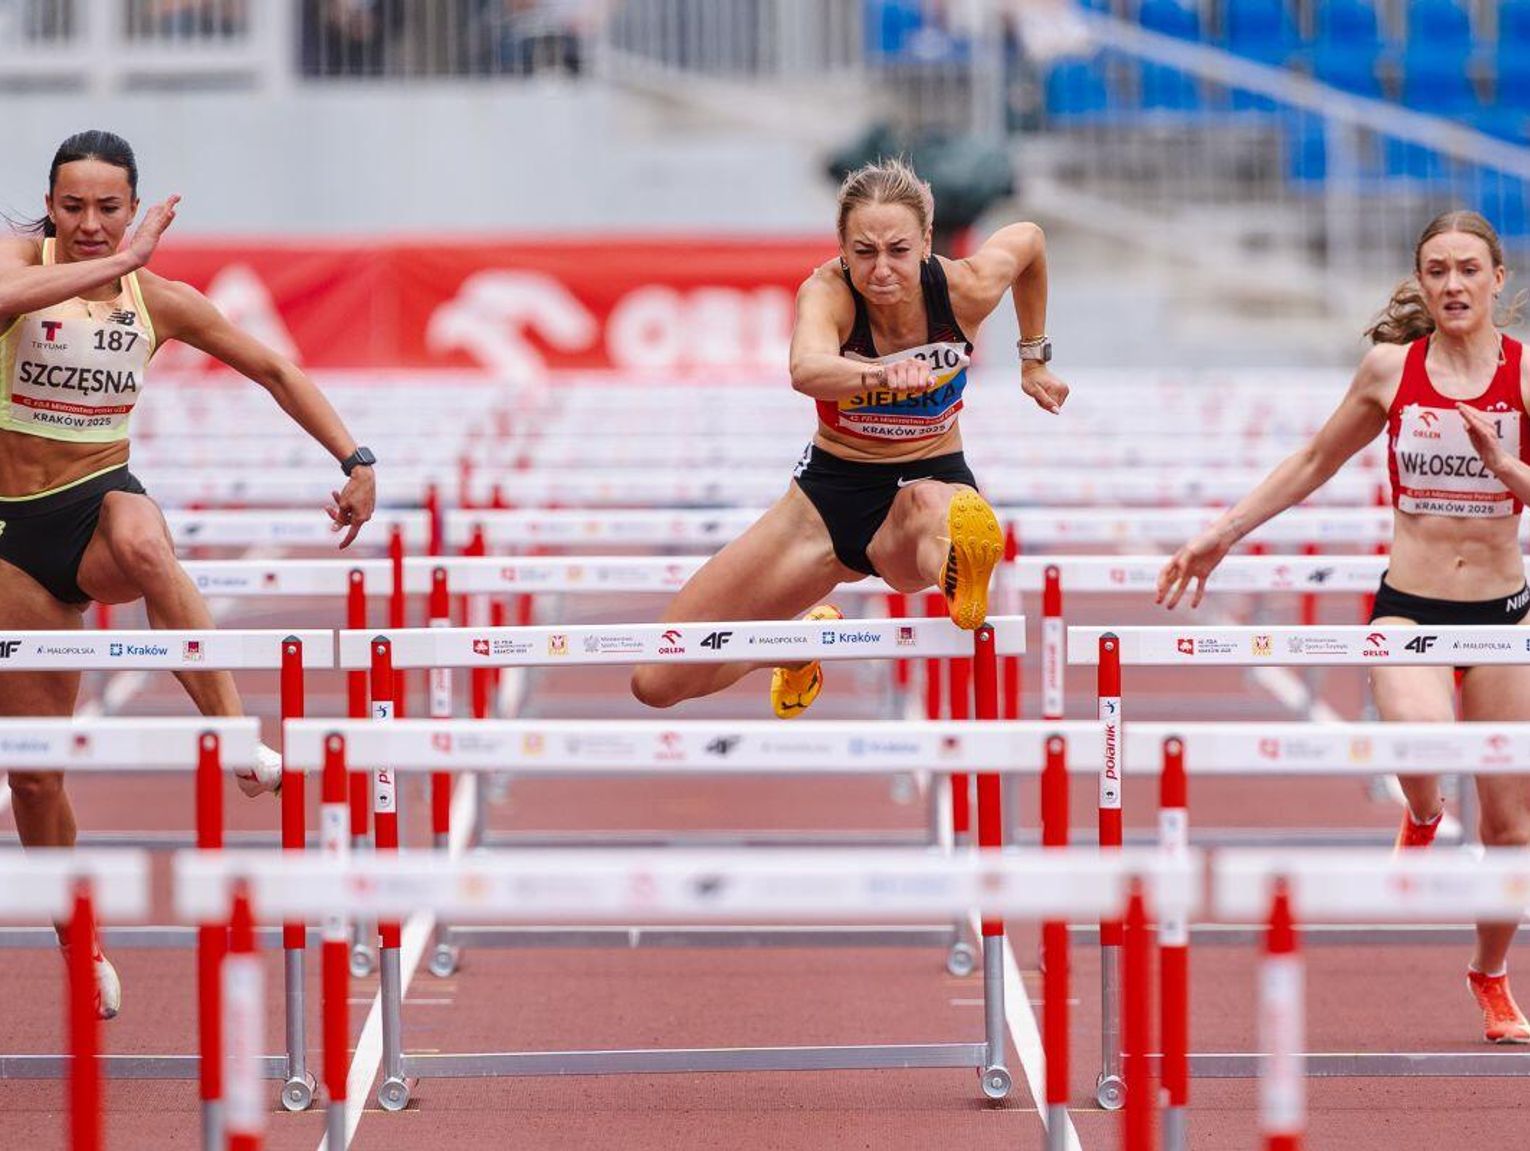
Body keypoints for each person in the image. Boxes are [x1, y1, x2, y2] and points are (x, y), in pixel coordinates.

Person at [0, 130, 378, 1017]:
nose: (91, 224)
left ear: (133, 208)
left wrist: (353, 456)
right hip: (11, 537)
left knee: (143, 541)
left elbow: (273, 367)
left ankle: (236, 733)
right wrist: (113, 262)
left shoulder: (158, 299)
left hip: (95, 505)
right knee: (34, 776)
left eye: (109, 208)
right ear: (49, 208)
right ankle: (75, 937)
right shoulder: (18, 264)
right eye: (73, 207)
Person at [1156, 210, 1530, 1045]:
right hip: (1413, 605)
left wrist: (1511, 469)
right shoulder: (1391, 370)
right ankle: (1424, 813)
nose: (1454, 284)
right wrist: (1221, 532)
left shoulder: (1526, 374)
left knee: (1512, 827)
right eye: (1437, 270)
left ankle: (1491, 973)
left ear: (1498, 280)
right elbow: (1313, 462)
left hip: (1506, 617)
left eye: (1470, 269)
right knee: (1427, 750)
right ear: (1421, 280)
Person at [632, 157, 1067, 716]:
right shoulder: (827, 293)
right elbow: (806, 369)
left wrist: (1033, 360)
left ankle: (957, 569)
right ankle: (794, 647)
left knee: (939, 512)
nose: (881, 269)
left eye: (898, 251)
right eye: (864, 252)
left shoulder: (963, 289)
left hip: (930, 473)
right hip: (827, 498)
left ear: (927, 240)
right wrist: (880, 374)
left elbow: (1029, 240)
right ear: (841, 247)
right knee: (656, 679)